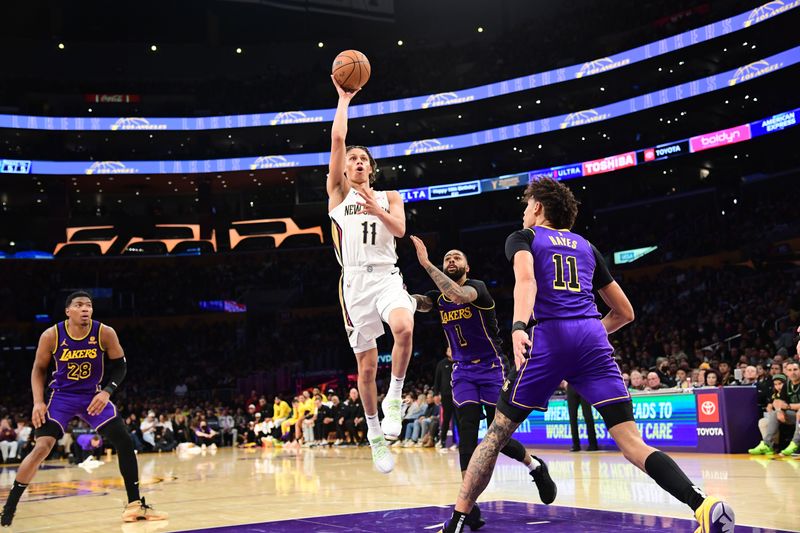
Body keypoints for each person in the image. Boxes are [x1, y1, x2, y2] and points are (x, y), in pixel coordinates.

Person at [438, 178, 732, 533]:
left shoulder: (525, 238)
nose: (523, 211)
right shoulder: (588, 247)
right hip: (593, 338)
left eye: (526, 204)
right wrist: (588, 334)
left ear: (538, 208)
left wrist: (518, 326)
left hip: (550, 337)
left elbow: (526, 280)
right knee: (631, 442)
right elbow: (625, 312)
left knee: (496, 435)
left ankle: (456, 522)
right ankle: (703, 505)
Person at [410, 241, 554, 528]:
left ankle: (535, 466)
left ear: (467, 267)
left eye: (456, 256)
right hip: (462, 371)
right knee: (466, 435)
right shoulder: (437, 298)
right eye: (447, 256)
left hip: (491, 367)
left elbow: (458, 295)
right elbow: (417, 302)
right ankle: (469, 504)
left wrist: (427, 264)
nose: (451, 259)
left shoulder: (476, 289)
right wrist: (393, 295)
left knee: (495, 438)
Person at [1, 291, 166, 527]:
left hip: (92, 396)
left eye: (89, 305)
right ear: (68, 311)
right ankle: (10, 506)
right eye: (79, 305)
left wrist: (107, 391)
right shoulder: (51, 335)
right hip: (62, 397)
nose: (85, 308)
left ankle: (134, 505)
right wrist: (38, 401)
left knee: (124, 440)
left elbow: (120, 365)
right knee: (42, 447)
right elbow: (38, 369)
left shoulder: (104, 332)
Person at [327, 75, 416, 473]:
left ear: (372, 169)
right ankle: (375, 434)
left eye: (364, 159)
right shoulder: (337, 194)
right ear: (345, 170)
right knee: (365, 368)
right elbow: (337, 142)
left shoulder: (389, 197)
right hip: (354, 284)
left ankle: (395, 395)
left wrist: (375, 207)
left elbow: (400, 231)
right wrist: (344, 100)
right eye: (353, 159)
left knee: (405, 328)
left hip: (386, 276)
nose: (357, 162)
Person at [433, 347, 458, 449]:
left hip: (458, 395)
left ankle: (458, 443)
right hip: (446, 396)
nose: (451, 352)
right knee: (446, 419)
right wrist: (436, 394)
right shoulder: (442, 364)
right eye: (449, 350)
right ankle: (442, 441)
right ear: (446, 352)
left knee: (458, 420)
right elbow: (437, 380)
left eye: (452, 350)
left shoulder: (459, 362)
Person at [566, 382, 598, 452]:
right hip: (571, 385)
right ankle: (576, 445)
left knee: (588, 416)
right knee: (572, 417)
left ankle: (593, 444)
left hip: (584, 385)